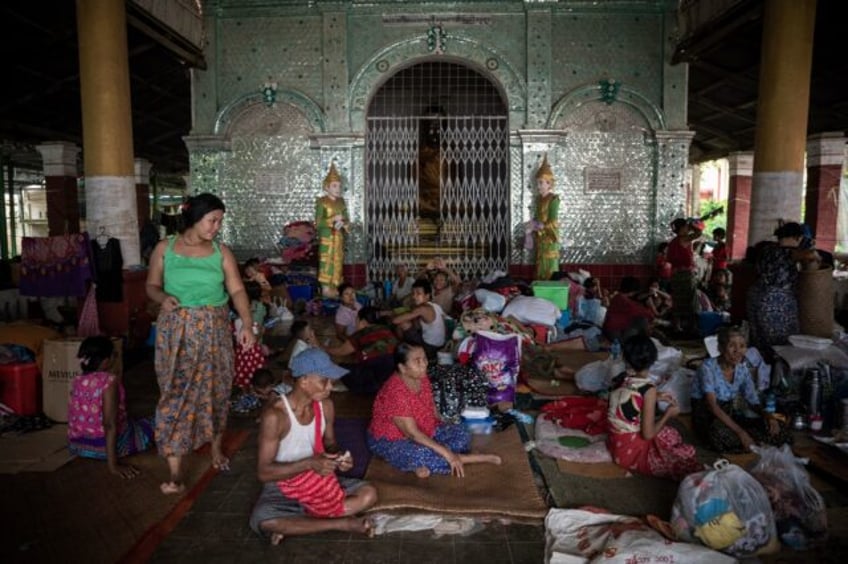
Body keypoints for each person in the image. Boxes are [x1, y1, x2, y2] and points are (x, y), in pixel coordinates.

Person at [146, 192, 256, 495]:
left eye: (220, 221)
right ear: (195, 217)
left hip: (214, 330)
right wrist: (161, 298)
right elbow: (151, 286)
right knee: (175, 393)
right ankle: (175, 471)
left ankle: (215, 448)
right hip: (176, 331)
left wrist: (247, 324)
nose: (216, 227)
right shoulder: (164, 248)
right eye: (213, 220)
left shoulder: (222, 252)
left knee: (216, 389)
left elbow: (236, 291)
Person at [249, 348, 377, 544]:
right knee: (263, 520)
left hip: (318, 479)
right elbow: (264, 473)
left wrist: (341, 458)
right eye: (324, 381)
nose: (330, 387)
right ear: (303, 381)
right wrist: (308, 464)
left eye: (330, 382)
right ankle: (340, 523)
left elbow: (331, 445)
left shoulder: (325, 406)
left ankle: (299, 523)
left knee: (369, 495)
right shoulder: (275, 416)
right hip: (283, 484)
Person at [367, 343, 502, 478]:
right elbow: (412, 434)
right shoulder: (395, 392)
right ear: (402, 368)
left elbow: (431, 405)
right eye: (417, 361)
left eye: (424, 358)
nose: (424, 364)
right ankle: (470, 458)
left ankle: (422, 464)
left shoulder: (421, 376)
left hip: (425, 429)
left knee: (461, 433)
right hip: (392, 439)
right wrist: (447, 454)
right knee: (422, 453)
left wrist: (444, 422)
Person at [606, 335, 701, 480]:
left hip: (616, 445)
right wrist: (668, 414)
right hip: (631, 455)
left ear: (626, 359)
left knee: (670, 434)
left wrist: (654, 397)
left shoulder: (622, 379)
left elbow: (629, 400)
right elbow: (648, 434)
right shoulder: (648, 388)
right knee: (682, 453)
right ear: (653, 360)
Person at [691, 326, 792, 453]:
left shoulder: (742, 369)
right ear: (720, 348)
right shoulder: (707, 368)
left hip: (729, 417)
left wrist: (769, 416)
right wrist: (740, 432)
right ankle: (753, 442)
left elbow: (753, 401)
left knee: (780, 429)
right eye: (732, 345)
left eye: (742, 346)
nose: (737, 351)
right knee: (719, 434)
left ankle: (752, 442)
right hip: (708, 419)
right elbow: (712, 407)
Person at [68, 336, 153, 478]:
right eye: (114, 354)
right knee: (155, 423)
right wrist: (113, 465)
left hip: (78, 446)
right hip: (104, 448)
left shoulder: (78, 380)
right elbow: (109, 425)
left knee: (133, 422)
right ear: (106, 360)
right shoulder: (108, 381)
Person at [746, 222, 820, 360]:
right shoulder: (787, 251)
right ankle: (776, 377)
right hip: (775, 302)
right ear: (798, 238)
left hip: (756, 297)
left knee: (760, 343)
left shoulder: (766, 249)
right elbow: (812, 256)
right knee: (781, 345)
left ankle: (762, 375)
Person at [324, 306, 400, 394]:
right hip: (394, 381)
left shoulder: (360, 334)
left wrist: (323, 348)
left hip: (375, 384)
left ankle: (325, 387)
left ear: (363, 322)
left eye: (357, 320)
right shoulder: (387, 330)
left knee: (340, 367)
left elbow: (340, 352)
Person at [316, 163, 349, 297]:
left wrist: (343, 223)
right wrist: (332, 219)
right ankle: (325, 289)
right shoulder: (321, 202)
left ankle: (336, 287)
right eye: (334, 186)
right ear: (327, 187)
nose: (338, 189)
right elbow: (318, 223)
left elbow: (347, 219)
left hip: (339, 238)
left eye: (339, 186)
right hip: (327, 238)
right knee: (326, 263)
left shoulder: (341, 202)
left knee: (338, 262)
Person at [391, 279, 447, 360]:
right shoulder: (436, 306)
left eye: (418, 293)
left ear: (427, 295)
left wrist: (394, 315)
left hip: (429, 349)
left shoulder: (421, 309)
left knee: (402, 324)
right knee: (412, 322)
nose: (414, 296)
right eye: (413, 293)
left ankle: (402, 348)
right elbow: (443, 323)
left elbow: (395, 321)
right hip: (441, 345)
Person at [526, 154, 560, 281]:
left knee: (550, 267)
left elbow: (553, 222)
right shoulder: (539, 200)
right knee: (540, 267)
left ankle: (551, 293)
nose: (538, 186)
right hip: (541, 238)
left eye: (541, 183)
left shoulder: (553, 199)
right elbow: (537, 218)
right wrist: (531, 226)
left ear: (549, 183)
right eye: (537, 183)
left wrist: (540, 226)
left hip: (550, 239)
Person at [666, 217, 703, 334]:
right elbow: (699, 233)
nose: (688, 229)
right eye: (686, 227)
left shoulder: (673, 242)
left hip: (675, 274)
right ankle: (692, 327)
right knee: (691, 300)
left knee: (677, 301)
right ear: (682, 228)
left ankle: (676, 327)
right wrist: (692, 225)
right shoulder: (684, 239)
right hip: (686, 275)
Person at [233, 280, 267, 390]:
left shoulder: (238, 318)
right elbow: (257, 331)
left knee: (243, 367)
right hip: (255, 344)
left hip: (244, 348)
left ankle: (244, 384)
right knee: (254, 367)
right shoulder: (260, 307)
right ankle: (255, 385)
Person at [602, 276, 655, 342]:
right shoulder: (623, 300)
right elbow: (643, 312)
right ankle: (646, 342)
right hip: (614, 335)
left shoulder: (618, 297)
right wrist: (652, 318)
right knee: (642, 320)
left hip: (610, 331)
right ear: (633, 291)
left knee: (640, 320)